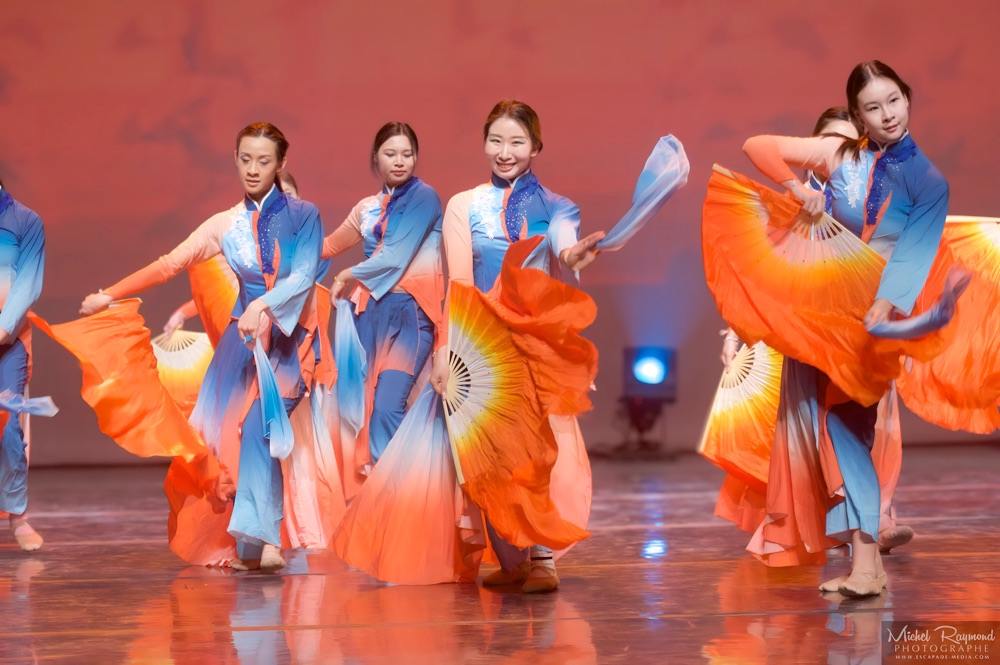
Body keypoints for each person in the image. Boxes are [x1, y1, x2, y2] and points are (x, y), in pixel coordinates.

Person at [735, 61, 948, 596]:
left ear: (907, 98)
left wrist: (885, 305)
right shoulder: (840, 155)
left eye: (894, 100)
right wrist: (795, 187)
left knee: (848, 427)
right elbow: (757, 146)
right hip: (826, 307)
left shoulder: (928, 181)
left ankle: (868, 563)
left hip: (875, 314)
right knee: (836, 428)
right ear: (858, 116)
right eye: (873, 107)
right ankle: (864, 560)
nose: (888, 114)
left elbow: (913, 254)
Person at [80, 122, 323, 571]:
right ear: (235, 157)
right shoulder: (223, 225)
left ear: (281, 165)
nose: (253, 169)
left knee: (260, 430)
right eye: (246, 159)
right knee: (219, 442)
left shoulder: (304, 214)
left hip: (289, 345)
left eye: (264, 161)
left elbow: (303, 274)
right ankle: (251, 542)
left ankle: (266, 537)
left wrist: (265, 305)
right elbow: (170, 263)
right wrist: (109, 294)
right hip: (241, 344)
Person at [721, 106, 915, 555]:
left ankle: (880, 516)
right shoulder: (798, 203)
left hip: (865, 329)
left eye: (849, 144)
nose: (838, 153)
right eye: (829, 143)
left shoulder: (872, 194)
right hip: (810, 334)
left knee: (875, 423)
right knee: (816, 431)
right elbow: (761, 271)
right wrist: (735, 333)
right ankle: (832, 524)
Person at [430, 100, 605, 593]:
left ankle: (543, 556)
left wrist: (575, 254)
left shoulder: (557, 206)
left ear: (535, 148)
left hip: (533, 342)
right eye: (496, 141)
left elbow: (565, 247)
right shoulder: (462, 205)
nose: (505, 152)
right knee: (485, 452)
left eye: (517, 142)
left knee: (535, 449)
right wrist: (446, 348)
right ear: (484, 143)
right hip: (478, 346)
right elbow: (458, 283)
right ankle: (511, 557)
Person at [322, 122, 443, 468]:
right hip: (370, 314)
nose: (400, 161)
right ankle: (374, 497)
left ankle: (400, 494)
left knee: (389, 407)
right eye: (391, 154)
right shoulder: (366, 208)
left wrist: (347, 274)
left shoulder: (424, 197)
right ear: (376, 158)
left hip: (412, 316)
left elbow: (394, 255)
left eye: (407, 154)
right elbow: (329, 245)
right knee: (364, 409)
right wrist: (287, 246)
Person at [163, 170, 302, 339]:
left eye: (288, 195)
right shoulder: (253, 246)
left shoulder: (309, 241)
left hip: (296, 332)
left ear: (299, 197)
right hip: (259, 332)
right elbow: (231, 291)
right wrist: (183, 313)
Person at [0, 178, 46, 552]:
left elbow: (27, 283)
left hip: (8, 342)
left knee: (8, 428)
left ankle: (17, 514)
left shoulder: (25, 221)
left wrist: (2, 329)